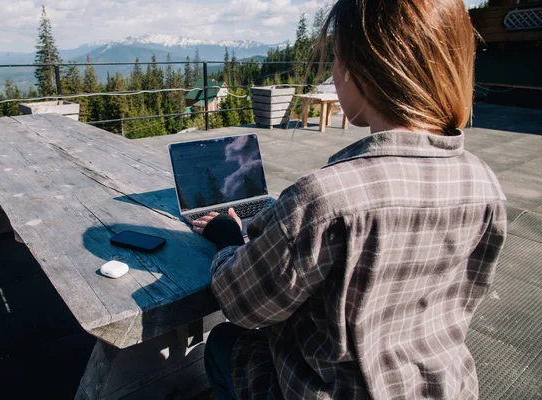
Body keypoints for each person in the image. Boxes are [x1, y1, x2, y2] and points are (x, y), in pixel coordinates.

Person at [193, 0, 507, 399]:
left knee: (223, 342)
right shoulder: (484, 182)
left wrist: (227, 239)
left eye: (337, 59)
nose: (335, 74)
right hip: (445, 388)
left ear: (366, 70)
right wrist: (286, 220)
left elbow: (244, 304)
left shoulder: (324, 198)